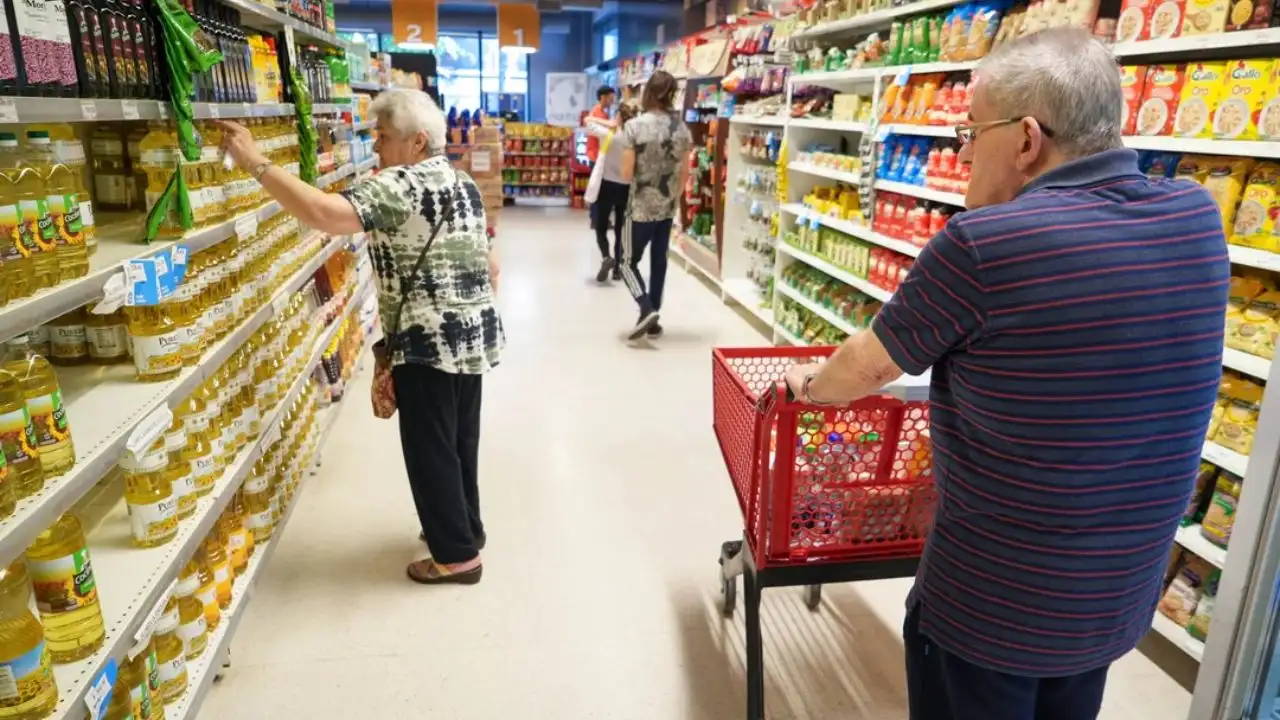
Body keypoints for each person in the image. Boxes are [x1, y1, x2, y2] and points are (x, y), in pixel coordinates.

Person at [783, 28, 1228, 720]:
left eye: (970, 132)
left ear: (1026, 140)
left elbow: (865, 367)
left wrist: (804, 390)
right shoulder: (1199, 217)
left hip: (992, 605)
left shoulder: (984, 247)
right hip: (1113, 596)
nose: (960, 152)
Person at [217, 88, 504, 587]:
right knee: (459, 440)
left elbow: (323, 214)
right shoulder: (462, 184)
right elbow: (490, 263)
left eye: (384, 136)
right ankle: (466, 530)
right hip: (473, 334)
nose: (375, 146)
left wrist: (255, 162)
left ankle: (457, 557)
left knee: (429, 447)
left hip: (426, 339)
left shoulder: (399, 185)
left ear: (417, 142)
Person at [617, 71, 692, 340]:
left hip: (639, 207)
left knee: (626, 263)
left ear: (648, 92)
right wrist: (671, 196)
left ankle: (646, 307)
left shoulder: (634, 127)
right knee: (658, 261)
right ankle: (653, 318)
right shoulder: (681, 128)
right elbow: (684, 173)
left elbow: (627, 174)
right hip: (668, 207)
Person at [584, 104, 638, 283]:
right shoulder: (634, 139)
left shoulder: (609, 134)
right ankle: (617, 269)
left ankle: (607, 257)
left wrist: (608, 122)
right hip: (625, 187)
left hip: (606, 186)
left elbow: (587, 121)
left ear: (619, 118)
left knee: (600, 227)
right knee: (621, 230)